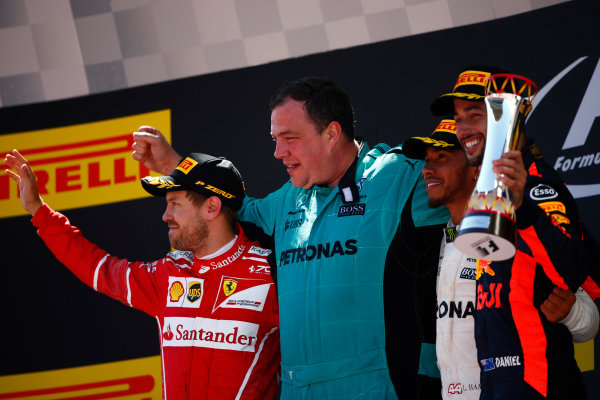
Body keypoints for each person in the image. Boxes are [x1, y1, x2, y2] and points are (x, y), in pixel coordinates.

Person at [131, 77, 450, 399]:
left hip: (384, 387)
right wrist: (172, 166)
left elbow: (470, 186)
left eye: (290, 138)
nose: (277, 152)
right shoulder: (288, 200)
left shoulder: (399, 176)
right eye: (274, 138)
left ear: (331, 134)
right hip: (299, 391)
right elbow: (221, 209)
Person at [4, 150, 280, 400]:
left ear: (211, 208)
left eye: (175, 204)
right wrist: (39, 211)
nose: (165, 216)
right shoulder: (169, 273)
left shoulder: (272, 273)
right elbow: (99, 269)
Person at [429, 67, 600, 399]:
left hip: (537, 377)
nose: (462, 129)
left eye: (474, 114)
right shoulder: (488, 191)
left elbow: (572, 272)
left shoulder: (537, 187)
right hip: (496, 378)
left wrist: (523, 209)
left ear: (505, 118)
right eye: (458, 118)